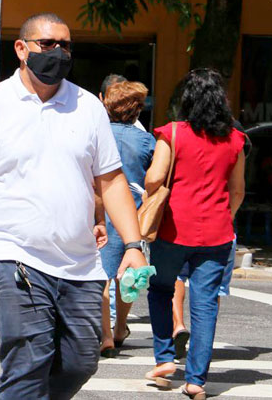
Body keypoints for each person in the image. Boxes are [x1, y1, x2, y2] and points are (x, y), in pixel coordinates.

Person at [0, 12, 148, 399]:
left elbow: (111, 181)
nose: (58, 52)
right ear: (21, 48)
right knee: (28, 361)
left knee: (81, 359)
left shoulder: (88, 107)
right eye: (48, 44)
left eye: (66, 45)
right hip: (11, 256)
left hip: (79, 263)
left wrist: (133, 245)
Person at [143, 68, 246, 400]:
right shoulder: (235, 139)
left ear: (187, 99)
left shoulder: (171, 133)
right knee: (205, 305)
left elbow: (154, 179)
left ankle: (164, 358)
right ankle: (196, 380)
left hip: (173, 229)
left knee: (160, 290)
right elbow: (238, 191)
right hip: (216, 233)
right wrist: (222, 216)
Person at [97, 80, 155, 358]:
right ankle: (120, 327)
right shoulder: (146, 140)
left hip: (98, 212)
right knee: (128, 275)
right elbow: (155, 177)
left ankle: (105, 335)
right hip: (132, 216)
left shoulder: (96, 134)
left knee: (101, 277)